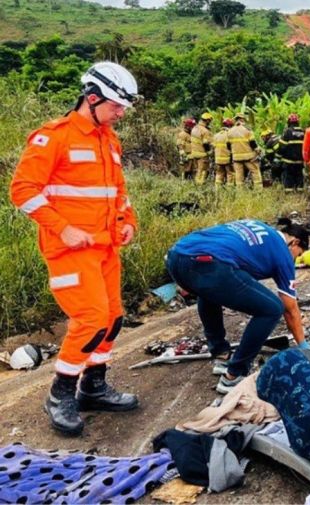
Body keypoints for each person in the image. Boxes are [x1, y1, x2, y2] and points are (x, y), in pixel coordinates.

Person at [9, 61, 141, 436]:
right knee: (91, 319)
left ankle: (93, 387)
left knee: (113, 317)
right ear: (93, 97)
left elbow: (117, 192)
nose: (120, 113)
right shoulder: (54, 137)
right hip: (69, 250)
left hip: (105, 247)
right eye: (116, 106)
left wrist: (128, 221)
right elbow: (22, 191)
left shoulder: (108, 139)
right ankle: (60, 393)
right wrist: (63, 228)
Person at [165, 218, 310, 394]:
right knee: (272, 309)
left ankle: (221, 355)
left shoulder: (258, 225)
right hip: (209, 263)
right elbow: (290, 308)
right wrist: (303, 345)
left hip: (176, 256)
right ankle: (234, 375)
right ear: (294, 242)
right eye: (299, 254)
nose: (295, 259)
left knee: (209, 291)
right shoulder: (282, 253)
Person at [228, 113, 262, 189]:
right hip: (248, 157)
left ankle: (240, 191)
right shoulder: (247, 129)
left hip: (236, 157)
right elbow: (252, 142)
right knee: (255, 172)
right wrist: (258, 151)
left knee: (239, 175)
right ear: (242, 119)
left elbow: (228, 145)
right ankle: (258, 190)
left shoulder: (230, 131)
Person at [274, 113, 305, 193]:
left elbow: (282, 146)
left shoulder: (287, 132)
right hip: (300, 161)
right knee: (299, 176)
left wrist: (277, 157)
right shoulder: (303, 131)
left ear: (289, 122)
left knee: (288, 177)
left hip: (288, 161)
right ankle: (300, 192)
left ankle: (289, 193)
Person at [190, 112, 213, 185]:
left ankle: (195, 183)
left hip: (194, 153)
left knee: (196, 170)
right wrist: (209, 151)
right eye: (209, 121)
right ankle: (200, 185)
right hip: (202, 154)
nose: (210, 122)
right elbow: (205, 143)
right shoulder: (205, 131)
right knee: (202, 170)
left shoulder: (195, 128)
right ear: (207, 120)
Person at [213, 118, 234, 188]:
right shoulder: (230, 135)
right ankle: (230, 190)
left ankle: (217, 189)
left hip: (218, 159)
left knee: (219, 174)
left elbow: (213, 147)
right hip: (227, 159)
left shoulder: (216, 135)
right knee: (230, 174)